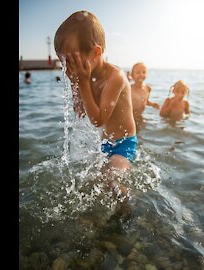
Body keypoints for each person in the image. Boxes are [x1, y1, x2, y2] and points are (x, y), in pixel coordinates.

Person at [54, 10, 137, 197]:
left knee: (112, 179)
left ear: (96, 52)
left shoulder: (115, 77)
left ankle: (131, 207)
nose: (69, 67)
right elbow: (80, 112)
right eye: (65, 62)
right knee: (90, 181)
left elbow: (98, 120)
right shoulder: (87, 76)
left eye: (72, 60)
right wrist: (76, 83)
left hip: (124, 143)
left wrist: (82, 83)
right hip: (105, 143)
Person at [130, 62, 159, 127]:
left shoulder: (148, 88)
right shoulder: (129, 89)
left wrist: (152, 104)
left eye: (144, 72)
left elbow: (145, 101)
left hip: (140, 117)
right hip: (129, 118)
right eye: (138, 73)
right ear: (132, 75)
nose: (141, 75)